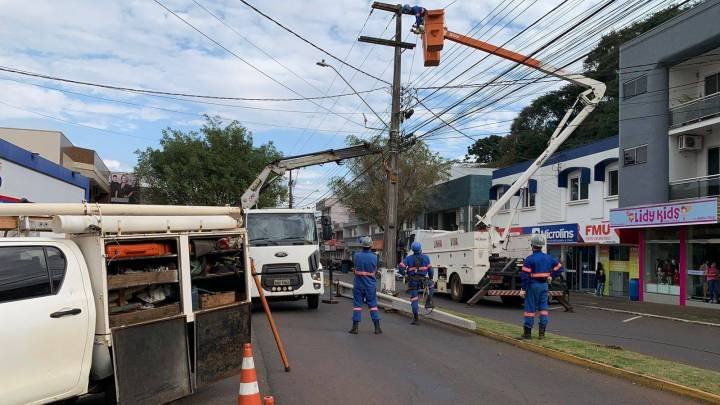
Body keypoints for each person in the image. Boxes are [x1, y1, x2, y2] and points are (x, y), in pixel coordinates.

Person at [519, 234, 564, 339]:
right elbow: (560, 268)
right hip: (544, 286)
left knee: (530, 310)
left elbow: (525, 276)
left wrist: (523, 289)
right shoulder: (549, 258)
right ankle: (542, 334)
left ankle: (527, 333)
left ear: (532, 246)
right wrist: (551, 276)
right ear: (542, 246)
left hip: (532, 286)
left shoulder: (529, 259)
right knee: (543, 309)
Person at [349, 236, 382, 335]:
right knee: (373, 306)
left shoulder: (357, 255)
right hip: (370, 286)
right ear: (371, 245)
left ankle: (355, 328)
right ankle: (377, 328)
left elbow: (355, 267)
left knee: (357, 306)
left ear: (362, 245)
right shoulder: (375, 257)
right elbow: (375, 269)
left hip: (358, 285)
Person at [398, 241, 433, 325]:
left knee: (414, 299)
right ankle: (428, 303)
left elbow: (400, 267)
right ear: (420, 248)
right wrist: (430, 277)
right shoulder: (426, 258)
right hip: (423, 280)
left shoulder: (409, 258)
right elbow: (431, 271)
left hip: (413, 281)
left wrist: (405, 275)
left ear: (412, 249)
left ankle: (416, 319)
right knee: (432, 285)